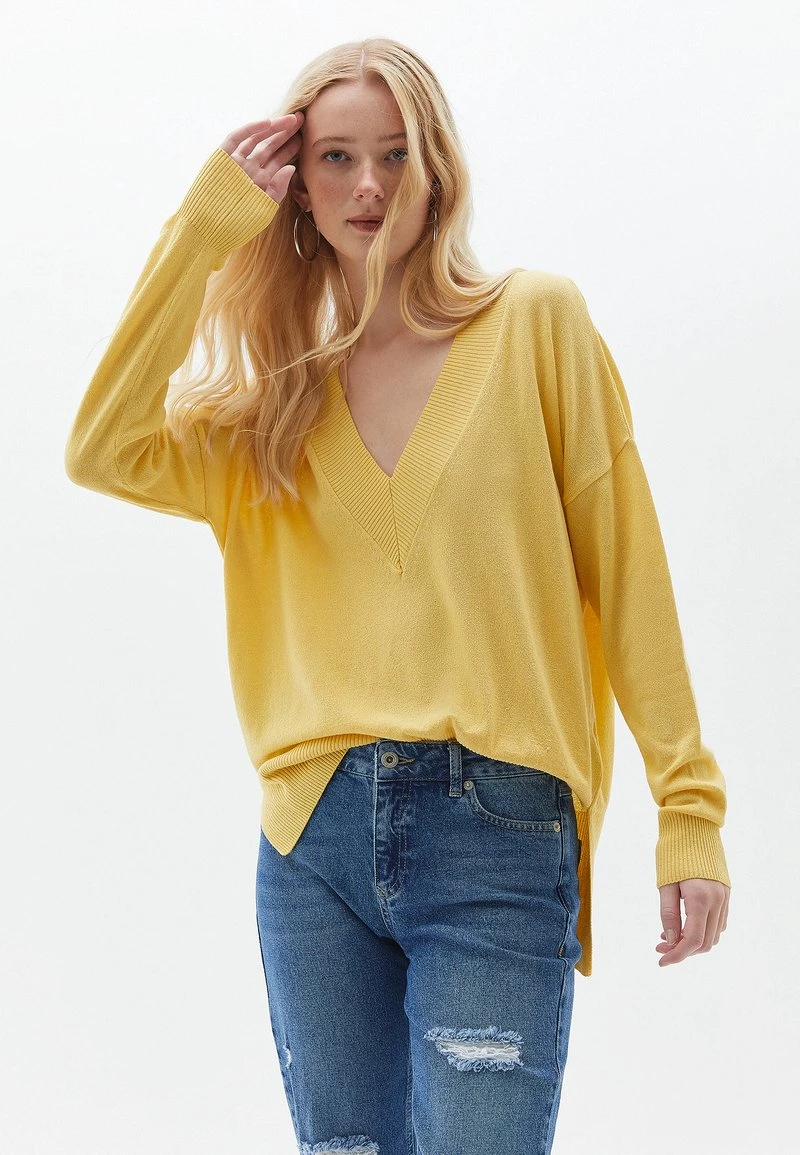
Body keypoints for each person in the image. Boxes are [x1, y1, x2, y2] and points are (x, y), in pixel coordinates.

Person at [64, 36, 731, 1155]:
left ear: (438, 169)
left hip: (496, 829)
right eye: (335, 157)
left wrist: (688, 810)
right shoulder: (269, 412)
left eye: (395, 153)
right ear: (296, 185)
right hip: (310, 841)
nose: (368, 185)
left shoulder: (535, 325)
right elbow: (102, 448)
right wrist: (203, 233)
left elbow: (629, 571)